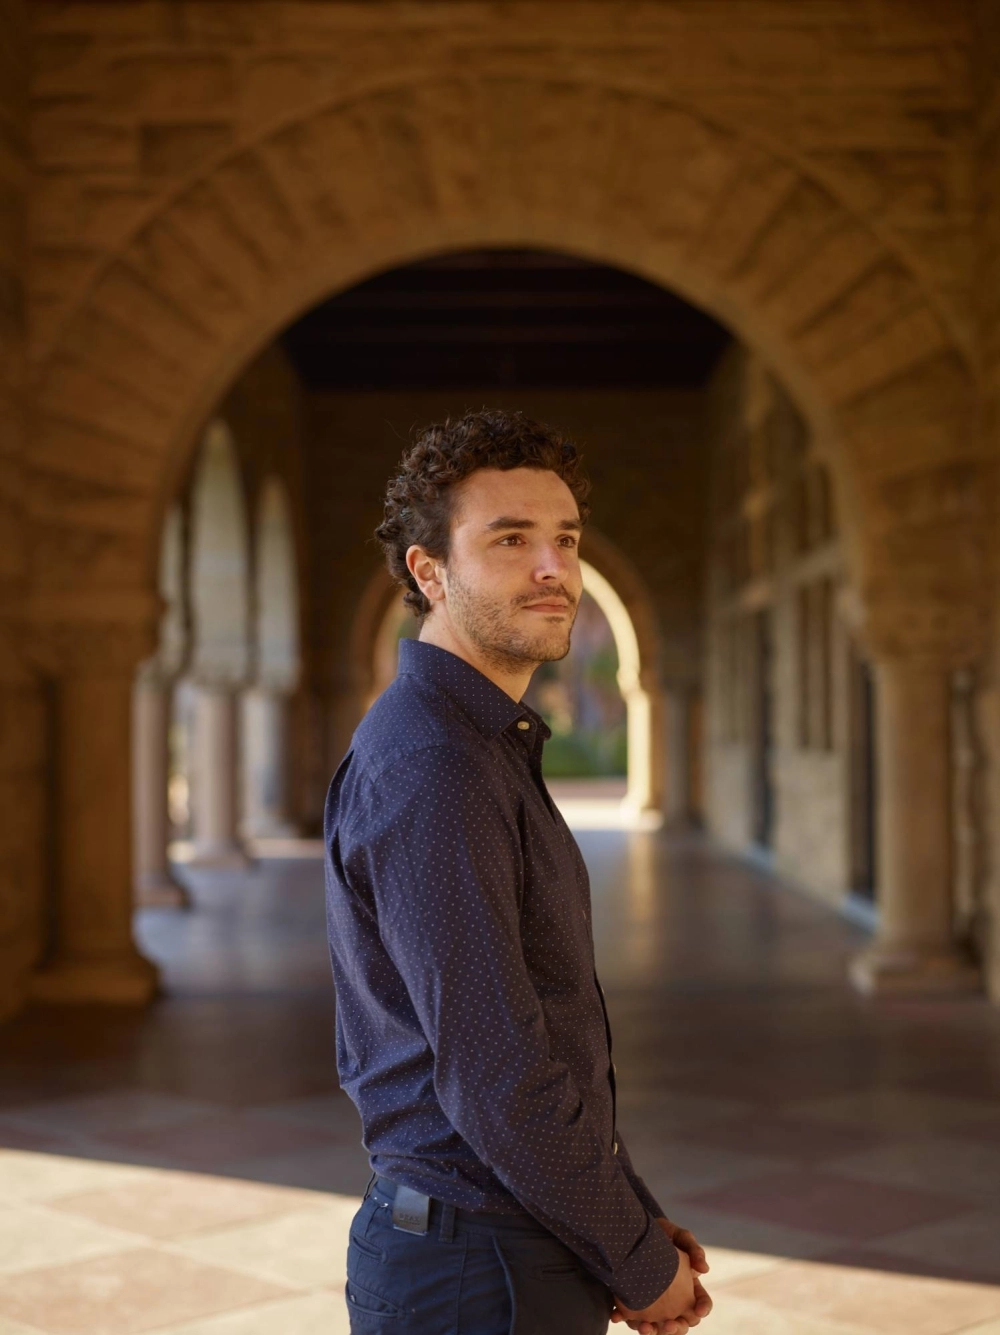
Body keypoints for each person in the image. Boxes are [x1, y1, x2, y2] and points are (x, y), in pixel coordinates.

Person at [324, 410, 713, 1334]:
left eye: (565, 539)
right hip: (477, 1268)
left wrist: (626, 1212)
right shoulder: (437, 763)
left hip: (504, 1240)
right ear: (430, 572)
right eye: (510, 539)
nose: (554, 568)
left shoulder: (479, 742)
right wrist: (635, 1259)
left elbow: (543, 1030)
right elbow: (498, 1073)